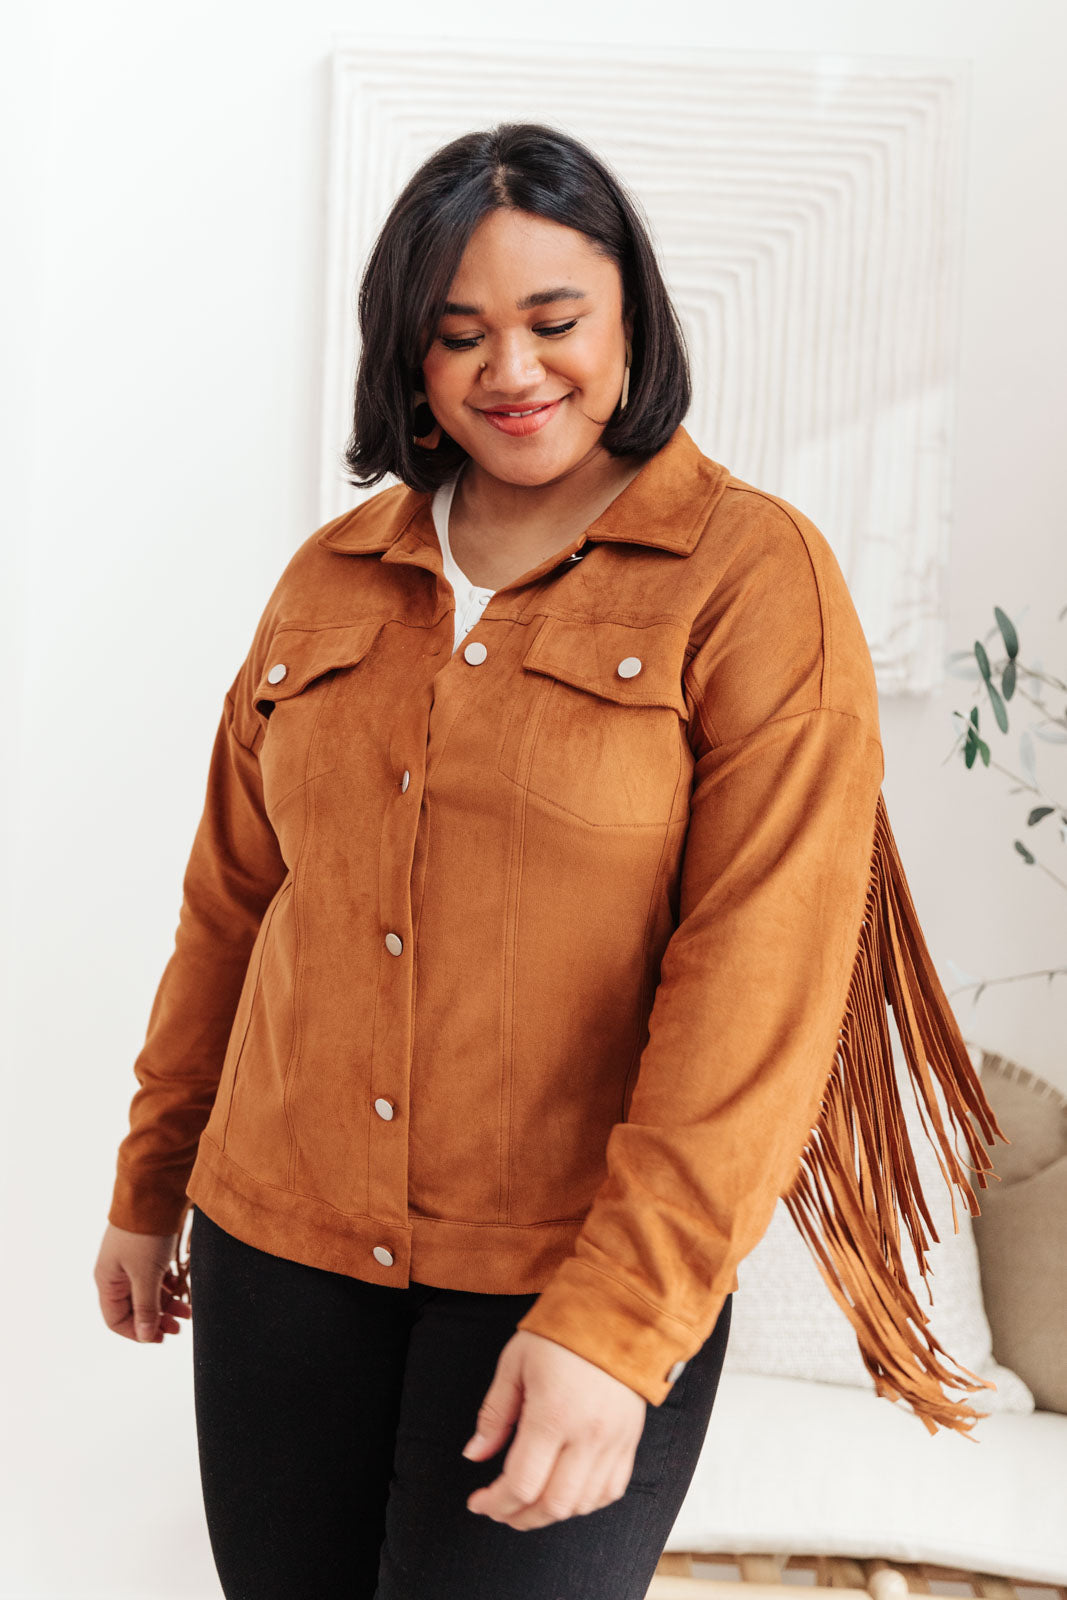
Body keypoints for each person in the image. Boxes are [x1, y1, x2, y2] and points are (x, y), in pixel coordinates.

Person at [94, 123, 1006, 1600]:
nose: (509, 370)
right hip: (279, 1258)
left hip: (563, 1280)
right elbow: (234, 905)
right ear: (409, 356)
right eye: (459, 334)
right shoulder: (329, 577)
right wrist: (151, 1184)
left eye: (553, 320)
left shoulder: (753, 579)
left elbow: (759, 984)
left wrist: (619, 1324)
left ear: (632, 320)